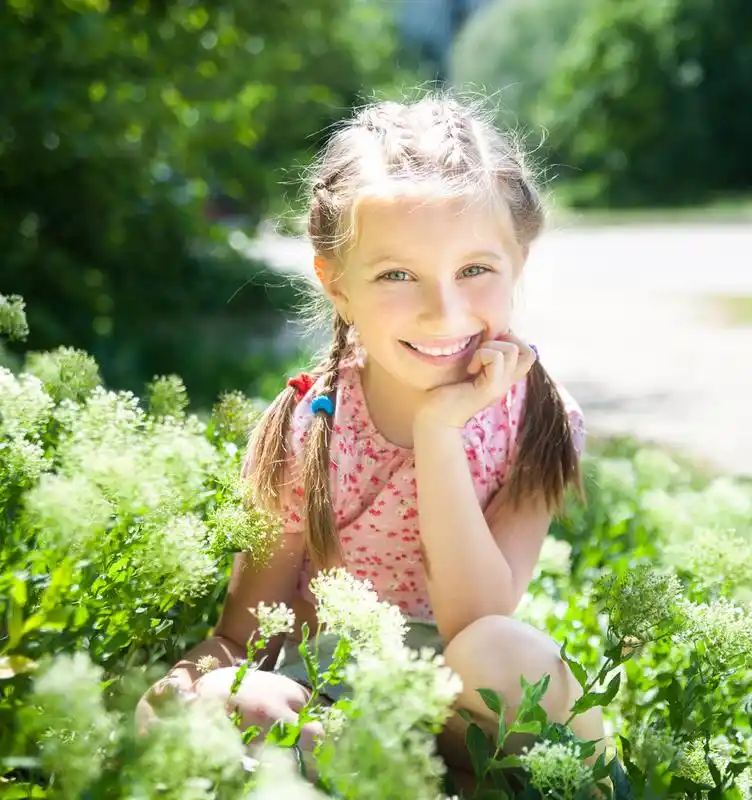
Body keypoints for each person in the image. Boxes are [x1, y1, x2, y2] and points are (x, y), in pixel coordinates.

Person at [136, 94, 607, 776]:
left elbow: (475, 618)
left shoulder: (537, 417)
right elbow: (242, 634)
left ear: (519, 262)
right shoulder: (311, 424)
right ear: (337, 284)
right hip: (336, 704)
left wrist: (439, 432)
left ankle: (570, 784)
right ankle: (390, 778)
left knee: (507, 651)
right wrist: (189, 677)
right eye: (396, 275)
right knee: (238, 702)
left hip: (466, 702)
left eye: (475, 269)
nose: (443, 312)